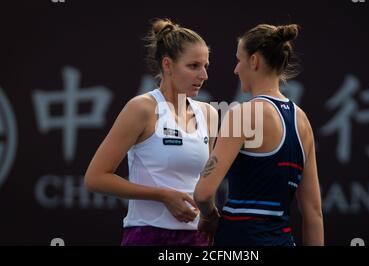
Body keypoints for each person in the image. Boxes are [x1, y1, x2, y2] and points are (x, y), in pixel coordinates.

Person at [84, 18, 218, 246]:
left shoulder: (209, 113)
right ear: (167, 65)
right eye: (194, 66)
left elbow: (206, 180)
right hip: (147, 236)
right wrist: (163, 195)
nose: (203, 75)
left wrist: (209, 214)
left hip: (196, 238)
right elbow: (95, 178)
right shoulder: (142, 108)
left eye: (205, 66)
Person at [194, 23, 324, 246]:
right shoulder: (302, 120)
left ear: (254, 61)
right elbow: (313, 212)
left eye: (239, 60)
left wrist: (209, 216)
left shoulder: (243, 114)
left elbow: (203, 193)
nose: (236, 69)